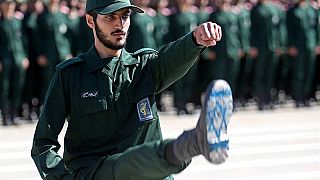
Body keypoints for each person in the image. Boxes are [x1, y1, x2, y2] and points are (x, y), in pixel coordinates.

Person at [31, 0, 233, 179]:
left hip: (151, 171)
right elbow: (43, 144)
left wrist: (195, 40)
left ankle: (191, 144)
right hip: (95, 172)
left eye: (125, 16)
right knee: (126, 164)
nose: (120, 24)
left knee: (146, 166)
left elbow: (170, 58)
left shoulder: (144, 67)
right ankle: (193, 142)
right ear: (90, 21)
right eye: (110, 17)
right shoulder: (70, 76)